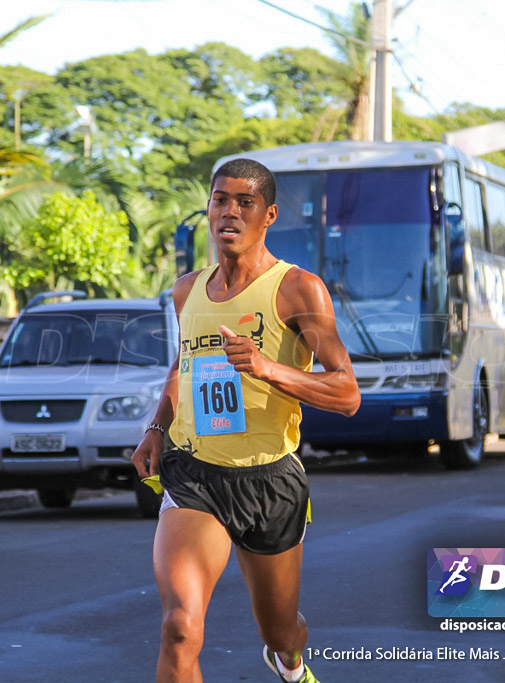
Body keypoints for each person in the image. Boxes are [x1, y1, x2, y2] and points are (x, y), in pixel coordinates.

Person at [131, 158, 360, 683]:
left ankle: (291, 662)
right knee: (180, 628)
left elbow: (347, 392)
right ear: (208, 210)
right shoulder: (187, 290)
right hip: (196, 475)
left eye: (245, 203)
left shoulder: (298, 290)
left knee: (281, 630)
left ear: (269, 215)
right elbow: (184, 362)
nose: (229, 212)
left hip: (269, 480)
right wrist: (156, 426)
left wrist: (268, 368)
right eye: (220, 200)